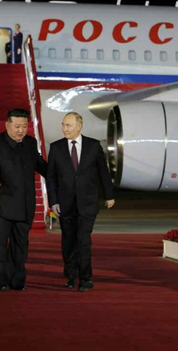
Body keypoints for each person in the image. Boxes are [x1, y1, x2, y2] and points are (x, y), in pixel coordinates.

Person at [47, 112, 115, 292]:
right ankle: (71, 276)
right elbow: (51, 178)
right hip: (64, 203)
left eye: (68, 125)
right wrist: (53, 201)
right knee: (68, 241)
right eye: (63, 125)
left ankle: (85, 278)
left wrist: (109, 195)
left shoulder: (93, 146)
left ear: (79, 126)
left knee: (83, 240)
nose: (64, 128)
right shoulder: (56, 148)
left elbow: (103, 172)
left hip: (87, 203)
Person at [0, 108, 48, 292]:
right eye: (17, 126)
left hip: (24, 204)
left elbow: (41, 166)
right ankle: (0, 281)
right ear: (7, 125)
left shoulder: (30, 143)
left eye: (24, 126)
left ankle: (17, 281)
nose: (21, 130)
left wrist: (62, 173)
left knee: (20, 247)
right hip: (1, 202)